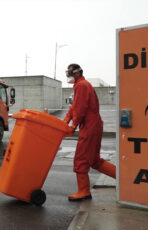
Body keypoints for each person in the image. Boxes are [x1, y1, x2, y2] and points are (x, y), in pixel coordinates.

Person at [63, 63, 116, 201]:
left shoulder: (81, 85)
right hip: (94, 125)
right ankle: (124, 179)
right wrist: (65, 122)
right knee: (94, 160)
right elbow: (74, 106)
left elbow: (80, 108)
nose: (68, 76)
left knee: (81, 159)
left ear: (77, 73)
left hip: (89, 126)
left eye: (70, 73)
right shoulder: (81, 85)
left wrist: (73, 125)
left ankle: (84, 191)